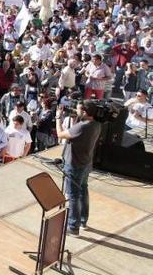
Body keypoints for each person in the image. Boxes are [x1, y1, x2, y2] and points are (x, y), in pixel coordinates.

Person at [56, 100, 103, 235]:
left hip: (74, 165)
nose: (76, 111)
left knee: (73, 195)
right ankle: (83, 221)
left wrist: (58, 118)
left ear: (85, 112)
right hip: (86, 163)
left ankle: (73, 227)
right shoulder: (96, 124)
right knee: (83, 191)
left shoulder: (82, 127)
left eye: (78, 110)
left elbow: (60, 134)